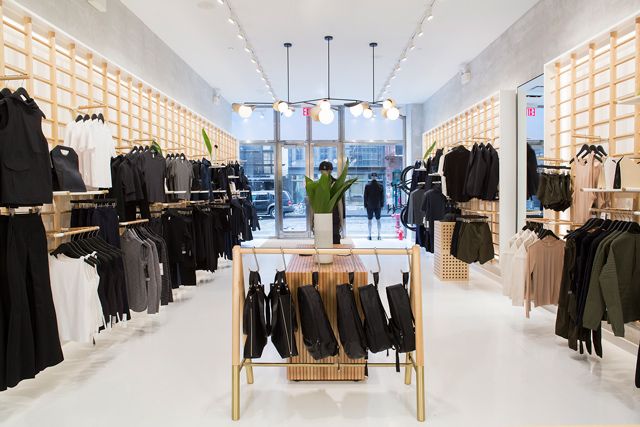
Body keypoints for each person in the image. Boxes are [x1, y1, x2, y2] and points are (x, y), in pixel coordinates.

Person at [319, 161, 344, 244]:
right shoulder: (317, 185)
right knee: (322, 242)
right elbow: (313, 204)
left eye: (326, 171)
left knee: (335, 240)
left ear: (330, 171)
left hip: (334, 217)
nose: (324, 173)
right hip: (320, 218)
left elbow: (340, 202)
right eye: (322, 171)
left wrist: (341, 218)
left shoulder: (336, 184)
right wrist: (312, 220)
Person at [364, 173, 384, 240]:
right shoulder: (380, 186)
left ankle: (370, 236)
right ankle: (378, 235)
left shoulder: (367, 185)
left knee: (370, 220)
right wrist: (382, 204)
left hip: (370, 205)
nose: (374, 177)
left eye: (374, 176)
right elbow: (382, 197)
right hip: (377, 205)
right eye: (373, 176)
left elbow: (365, 196)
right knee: (378, 220)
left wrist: (365, 204)